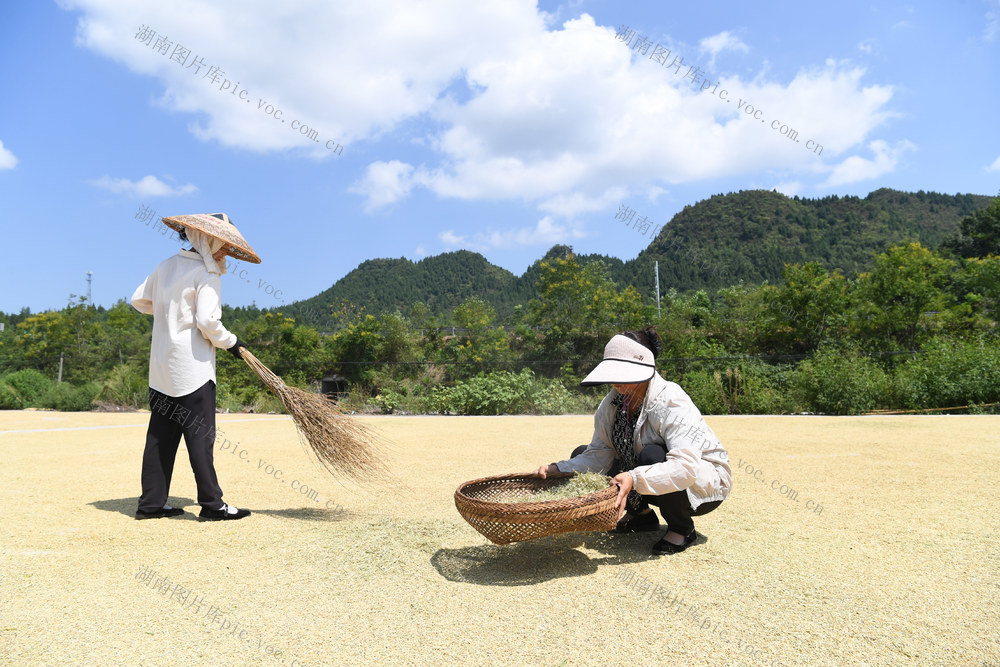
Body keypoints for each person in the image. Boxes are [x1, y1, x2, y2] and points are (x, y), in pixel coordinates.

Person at [535, 329, 731, 554]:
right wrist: (557, 469)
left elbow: (685, 467)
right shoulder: (612, 403)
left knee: (653, 456)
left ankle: (682, 528)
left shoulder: (672, 401)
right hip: (648, 477)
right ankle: (641, 517)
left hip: (700, 484)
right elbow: (600, 454)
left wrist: (634, 477)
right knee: (581, 452)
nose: (615, 381)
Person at [131, 212, 260, 521]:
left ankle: (151, 504)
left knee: (160, 437)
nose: (225, 251)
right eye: (223, 244)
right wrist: (232, 343)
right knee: (200, 437)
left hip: (162, 368)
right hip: (192, 370)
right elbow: (208, 322)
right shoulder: (207, 274)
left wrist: (170, 314)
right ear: (207, 239)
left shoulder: (165, 267)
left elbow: (139, 299)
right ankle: (213, 505)